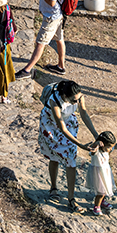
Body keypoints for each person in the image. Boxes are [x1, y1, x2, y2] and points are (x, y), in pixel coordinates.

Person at [37, 79, 104, 213]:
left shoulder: (78, 96)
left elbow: (84, 114)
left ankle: (71, 199)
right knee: (54, 156)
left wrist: (96, 135)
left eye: (78, 99)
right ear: (65, 96)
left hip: (69, 124)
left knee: (71, 160)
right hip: (52, 126)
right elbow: (61, 127)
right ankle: (54, 187)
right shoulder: (54, 101)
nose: (77, 102)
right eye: (74, 101)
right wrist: (80, 145)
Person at [20, 0, 71, 77]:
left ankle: (27, 70)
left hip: (51, 16)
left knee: (41, 43)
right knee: (59, 39)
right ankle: (61, 66)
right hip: (59, 15)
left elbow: (52, 2)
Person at [89, 130, 117, 216]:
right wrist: (96, 143)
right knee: (100, 192)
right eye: (109, 147)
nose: (110, 149)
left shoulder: (106, 151)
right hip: (98, 174)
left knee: (105, 190)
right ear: (103, 144)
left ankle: (102, 202)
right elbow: (92, 150)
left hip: (106, 173)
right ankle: (96, 207)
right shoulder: (96, 151)